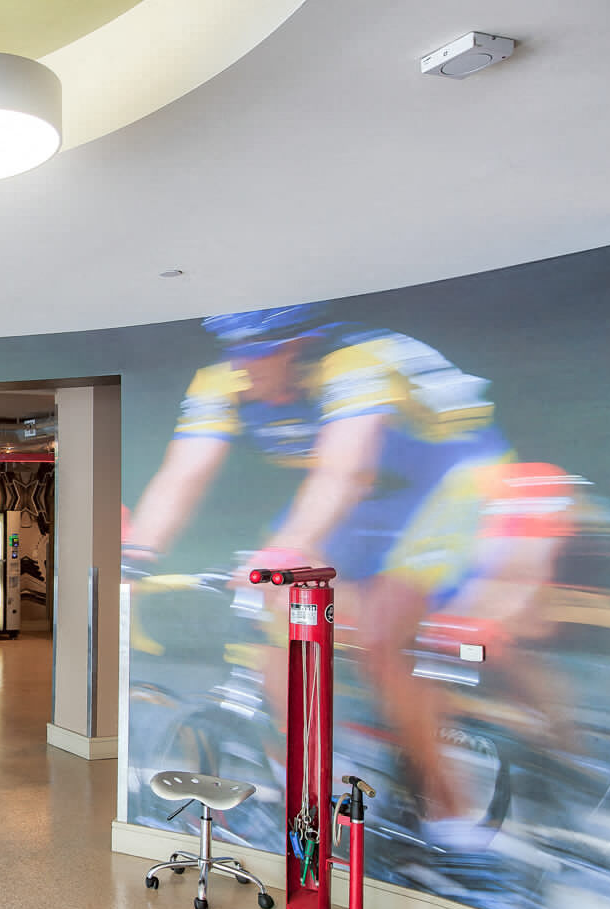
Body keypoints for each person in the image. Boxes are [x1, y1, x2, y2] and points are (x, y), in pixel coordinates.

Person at [124, 303, 526, 843]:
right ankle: (313, 798)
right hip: (358, 500)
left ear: (300, 348)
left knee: (384, 638)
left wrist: (287, 550)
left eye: (259, 353)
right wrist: (136, 556)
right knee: (273, 637)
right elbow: (184, 473)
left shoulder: (357, 364)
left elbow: (346, 471)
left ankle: (456, 824)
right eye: (235, 352)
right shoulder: (223, 381)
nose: (245, 367)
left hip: (448, 485)